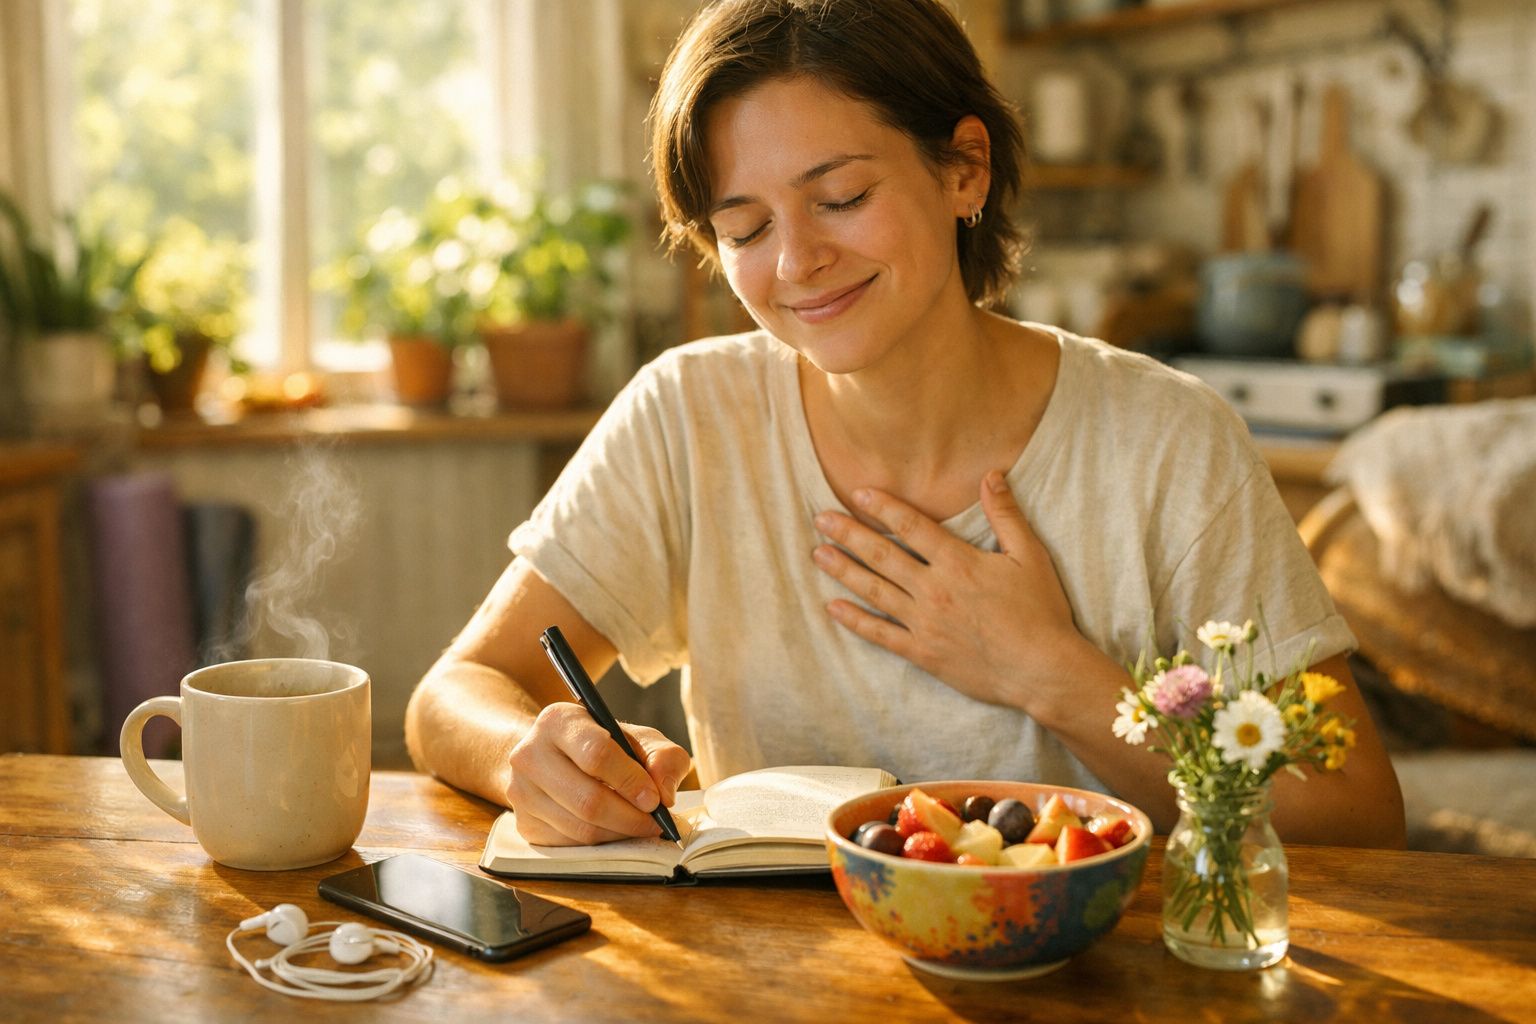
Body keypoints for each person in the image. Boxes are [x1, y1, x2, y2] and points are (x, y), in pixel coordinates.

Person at [405, 0, 1405, 849]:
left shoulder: (1169, 442)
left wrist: (1053, 674)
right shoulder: (688, 414)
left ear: (964, 169)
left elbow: (1358, 819)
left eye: (840, 197)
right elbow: (460, 689)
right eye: (745, 228)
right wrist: (529, 757)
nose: (795, 262)